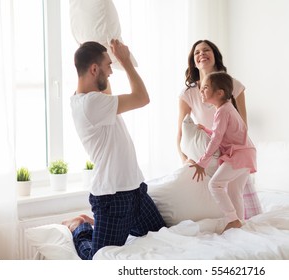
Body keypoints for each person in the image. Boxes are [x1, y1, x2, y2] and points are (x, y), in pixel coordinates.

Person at [63, 40, 166, 260]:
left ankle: (95, 224)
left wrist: (100, 43)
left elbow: (105, 88)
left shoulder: (96, 100)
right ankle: (79, 227)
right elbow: (142, 98)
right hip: (113, 198)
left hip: (136, 190)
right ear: (93, 69)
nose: (111, 71)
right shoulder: (89, 104)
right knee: (98, 258)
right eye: (108, 65)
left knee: (163, 240)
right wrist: (126, 62)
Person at [177, 39, 260, 219]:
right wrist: (186, 160)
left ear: (215, 56)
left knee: (232, 193)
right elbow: (181, 131)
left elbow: (242, 125)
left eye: (206, 50)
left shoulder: (233, 85)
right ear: (193, 61)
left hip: (231, 151)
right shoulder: (188, 93)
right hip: (205, 152)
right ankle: (233, 221)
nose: (201, 54)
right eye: (197, 52)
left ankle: (237, 222)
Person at [190, 71, 257, 232]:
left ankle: (232, 219)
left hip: (239, 155)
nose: (201, 91)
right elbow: (221, 133)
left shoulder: (223, 111)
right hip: (246, 153)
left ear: (219, 93)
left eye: (205, 88)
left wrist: (202, 162)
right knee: (235, 192)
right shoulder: (227, 109)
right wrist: (206, 129)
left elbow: (217, 139)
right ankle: (239, 224)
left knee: (215, 184)